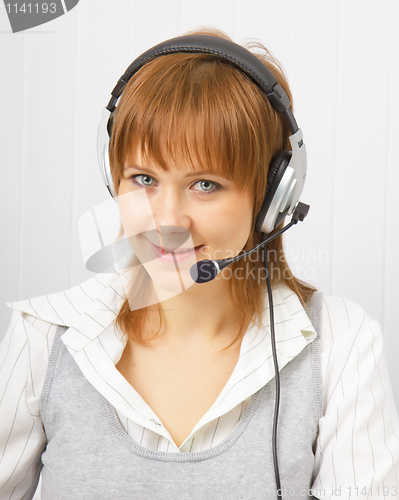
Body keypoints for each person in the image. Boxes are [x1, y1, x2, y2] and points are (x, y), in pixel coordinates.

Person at [1, 28, 398, 500]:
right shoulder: (44, 336)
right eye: (143, 178)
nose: (167, 220)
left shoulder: (342, 345)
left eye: (205, 184)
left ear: (272, 199)